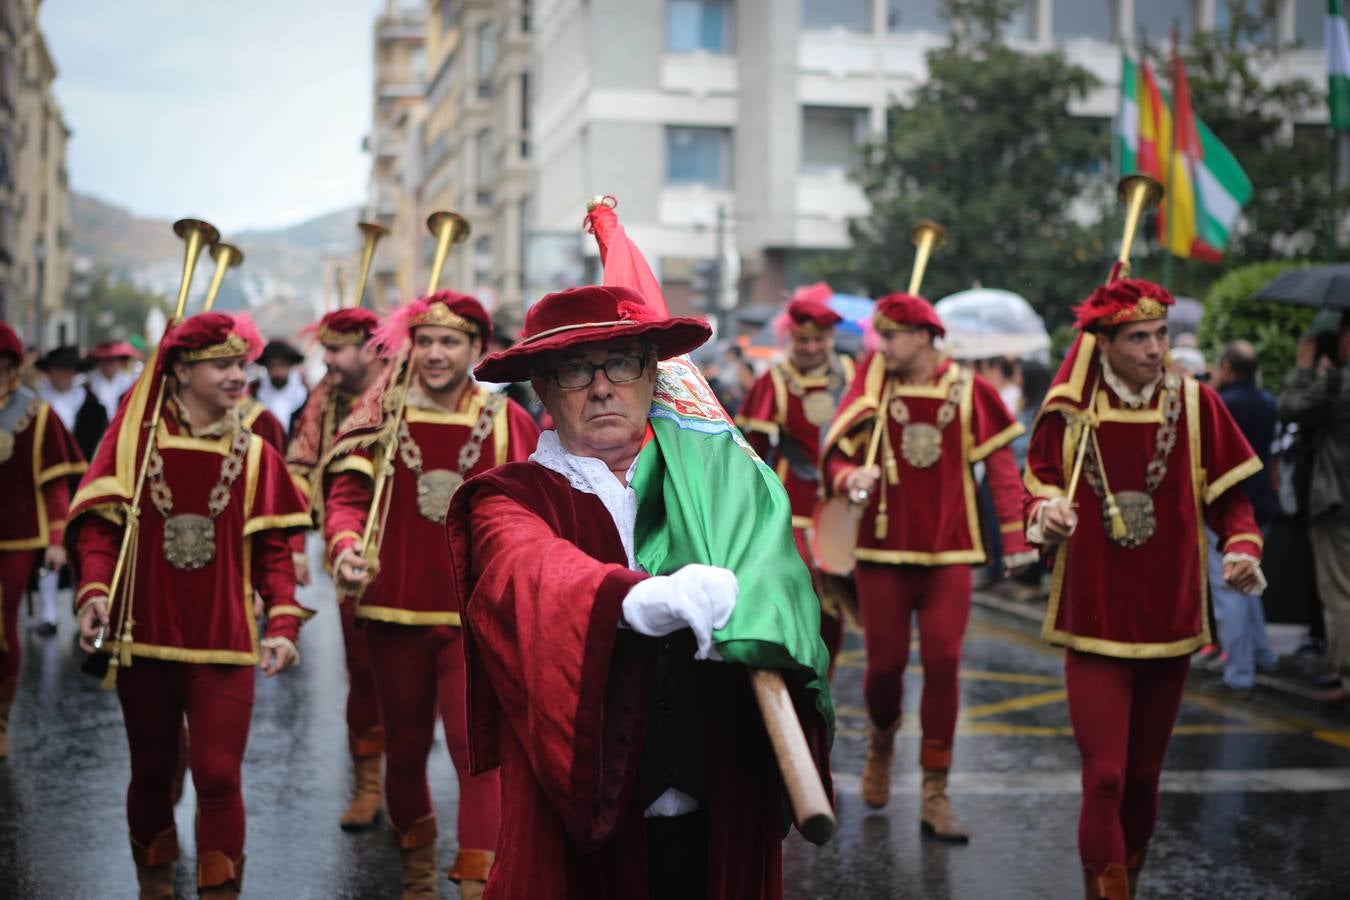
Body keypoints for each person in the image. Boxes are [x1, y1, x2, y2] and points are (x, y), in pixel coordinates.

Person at [446, 283, 831, 899]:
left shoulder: (716, 491)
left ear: (654, 375)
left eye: (621, 363)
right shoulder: (509, 495)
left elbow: (780, 586)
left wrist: (761, 598)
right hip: (586, 828)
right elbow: (526, 569)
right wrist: (631, 600)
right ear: (541, 388)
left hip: (718, 810)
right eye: (574, 369)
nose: (602, 387)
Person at [1023, 279, 1264, 900]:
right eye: (1138, 337)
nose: (1156, 349)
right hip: (1093, 617)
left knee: (1144, 777)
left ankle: (1127, 876)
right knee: (1104, 775)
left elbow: (1233, 502)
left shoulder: (1198, 402)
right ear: (1103, 342)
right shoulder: (1072, 409)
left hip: (1170, 619)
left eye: (1160, 334)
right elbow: (1038, 483)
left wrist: (1242, 547)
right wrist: (1045, 511)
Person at [69, 312, 312, 899]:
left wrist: (282, 623)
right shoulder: (133, 442)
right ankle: (154, 886)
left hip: (224, 643)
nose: (238, 376)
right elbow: (101, 531)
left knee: (219, 776)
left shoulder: (255, 454)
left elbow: (275, 552)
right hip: (143, 638)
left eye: (242, 365)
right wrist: (94, 591)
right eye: (223, 365)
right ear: (179, 370)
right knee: (152, 774)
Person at [323, 291, 539, 899]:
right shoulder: (377, 415)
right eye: (425, 341)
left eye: (450, 341)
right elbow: (345, 500)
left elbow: (535, 511)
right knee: (407, 751)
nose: (436, 353)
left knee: (478, 755)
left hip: (476, 622)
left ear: (477, 349)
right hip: (393, 612)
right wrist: (343, 546)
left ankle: (477, 887)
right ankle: (417, 877)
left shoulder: (507, 423)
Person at [819, 292, 1033, 840]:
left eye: (889, 337)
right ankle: (881, 744)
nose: (880, 347)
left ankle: (936, 792)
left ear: (923, 336)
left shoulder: (970, 391)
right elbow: (839, 454)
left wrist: (1015, 538)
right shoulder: (873, 386)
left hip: (949, 553)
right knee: (885, 666)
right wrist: (849, 480)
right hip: (882, 553)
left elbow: (1003, 471)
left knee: (943, 662)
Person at [285, 306, 388, 830]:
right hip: (349, 551)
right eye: (324, 348)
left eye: (337, 349)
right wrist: (297, 545)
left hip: (418, 548)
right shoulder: (324, 398)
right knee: (364, 670)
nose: (327, 360)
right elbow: (301, 467)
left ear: (371, 348)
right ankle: (368, 783)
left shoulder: (406, 390)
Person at [737, 286, 856, 670]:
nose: (810, 348)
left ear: (830, 340)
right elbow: (748, 450)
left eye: (818, 340)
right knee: (801, 590)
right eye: (802, 340)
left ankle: (827, 675)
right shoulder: (775, 381)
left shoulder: (853, 375)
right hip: (794, 503)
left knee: (838, 599)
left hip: (846, 504)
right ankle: (796, 670)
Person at [0, 324, 85, 757]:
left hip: (16, 536)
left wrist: (56, 539)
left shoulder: (37, 413)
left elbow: (55, 486)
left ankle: (1, 717)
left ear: (14, 364)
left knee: (3, 622)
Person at [1277, 312, 1350, 704]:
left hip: (1337, 499)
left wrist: (1305, 369)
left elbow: (1289, 408)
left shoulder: (1337, 383)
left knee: (1340, 591)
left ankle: (1348, 677)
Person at [1204, 340, 1280, 698]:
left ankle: (1239, 673)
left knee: (1229, 589)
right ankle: (1263, 654)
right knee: (1250, 583)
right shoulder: (1267, 401)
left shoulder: (1222, 404)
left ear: (1228, 369)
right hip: (1261, 501)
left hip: (1229, 510)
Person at [33, 346, 106, 636]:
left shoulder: (92, 406)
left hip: (82, 486)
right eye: (58, 370)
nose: (63, 376)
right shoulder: (34, 405)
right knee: (48, 551)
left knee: (81, 548)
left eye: (68, 370)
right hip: (45, 487)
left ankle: (83, 607)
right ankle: (49, 612)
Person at [252, 339, 309, 436]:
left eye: (282, 364)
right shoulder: (254, 395)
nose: (277, 371)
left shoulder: (304, 395)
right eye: (272, 365)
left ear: (290, 365)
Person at [85, 340, 141, 421]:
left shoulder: (130, 385)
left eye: (112, 360)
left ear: (119, 361)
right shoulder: (90, 387)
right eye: (105, 361)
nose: (108, 365)